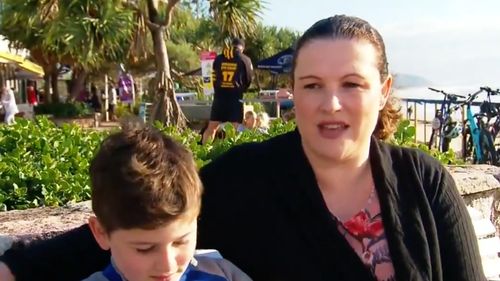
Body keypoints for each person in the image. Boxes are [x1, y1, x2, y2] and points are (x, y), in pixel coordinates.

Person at [0, 15, 486, 281]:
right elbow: (133, 224)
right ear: (292, 92)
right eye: (312, 85)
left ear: (383, 90)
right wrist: (18, 265)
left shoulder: (423, 179)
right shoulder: (247, 180)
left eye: (352, 84)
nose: (330, 103)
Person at [89, 124, 252, 281]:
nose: (167, 265)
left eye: (181, 241)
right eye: (145, 249)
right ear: (101, 232)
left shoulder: (224, 275)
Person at [202, 38, 253, 144]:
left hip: (219, 98)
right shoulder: (245, 59)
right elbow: (249, 79)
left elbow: (213, 77)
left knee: (212, 128)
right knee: (235, 128)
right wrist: (242, 89)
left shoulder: (219, 58)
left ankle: (203, 152)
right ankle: (233, 153)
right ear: (242, 48)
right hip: (235, 98)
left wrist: (219, 89)